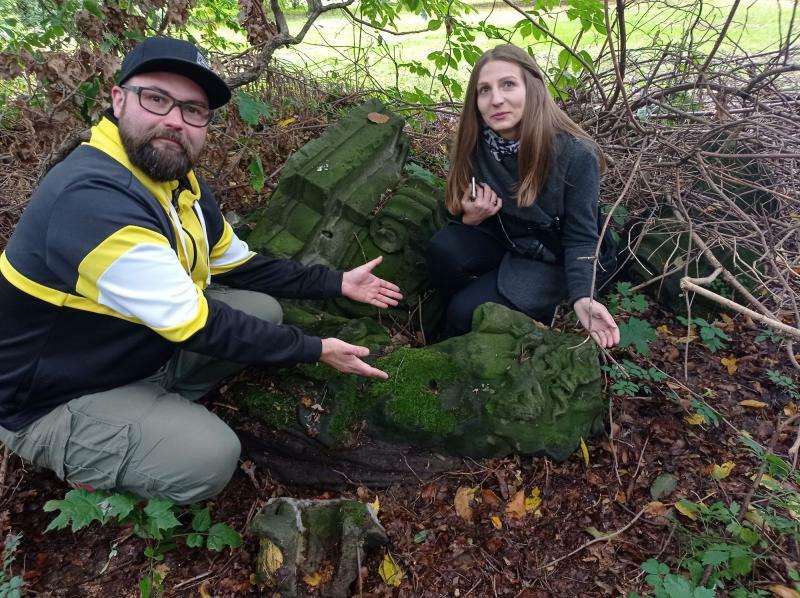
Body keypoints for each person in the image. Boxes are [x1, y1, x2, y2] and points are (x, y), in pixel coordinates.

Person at [0, 36, 403, 504]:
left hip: (125, 346)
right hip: (53, 395)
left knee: (262, 309)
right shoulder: (91, 200)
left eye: (193, 110)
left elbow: (241, 265)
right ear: (117, 100)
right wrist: (316, 349)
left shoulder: (176, 182)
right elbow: (199, 322)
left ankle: (155, 408)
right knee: (210, 458)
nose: (175, 120)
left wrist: (336, 282)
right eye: (156, 98)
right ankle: (101, 454)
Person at [426, 44, 620, 347]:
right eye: (485, 90)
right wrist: (470, 218)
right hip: (505, 239)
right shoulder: (476, 142)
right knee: (442, 250)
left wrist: (583, 296)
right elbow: (458, 202)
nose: (497, 99)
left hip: (551, 255)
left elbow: (582, 237)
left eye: (508, 85)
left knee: (464, 313)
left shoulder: (576, 154)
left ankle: (472, 332)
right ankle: (458, 318)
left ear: (532, 88)